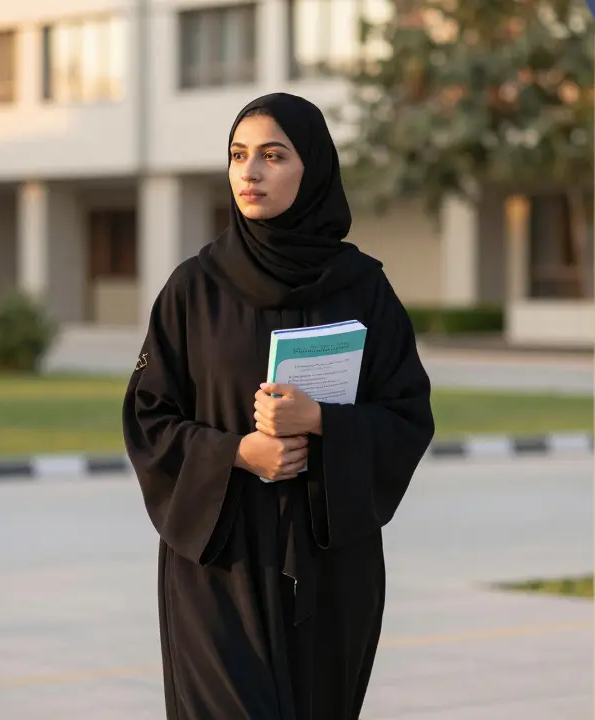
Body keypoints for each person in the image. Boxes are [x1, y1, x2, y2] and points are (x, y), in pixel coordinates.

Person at [121, 92, 436, 720]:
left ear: (312, 167)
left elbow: (407, 413)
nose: (250, 172)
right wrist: (239, 451)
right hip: (220, 563)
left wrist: (321, 421)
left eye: (272, 155)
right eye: (239, 156)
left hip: (329, 567)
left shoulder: (363, 287)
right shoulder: (194, 288)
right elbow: (148, 416)